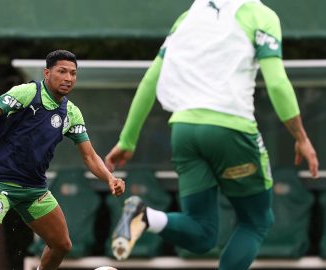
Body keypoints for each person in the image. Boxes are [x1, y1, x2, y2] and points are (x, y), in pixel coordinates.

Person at [105, 0, 319, 269]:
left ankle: (145, 216)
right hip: (231, 129)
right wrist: (301, 137)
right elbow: (277, 83)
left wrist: (128, 140)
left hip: (184, 131)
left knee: (202, 234)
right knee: (256, 221)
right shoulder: (260, 14)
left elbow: (150, 79)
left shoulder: (186, 18)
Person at [0, 49, 125, 270]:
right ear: (47, 73)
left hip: (35, 191)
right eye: (62, 71)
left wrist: (109, 178)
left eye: (73, 73)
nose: (68, 78)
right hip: (1, 186)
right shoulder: (27, 93)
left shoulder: (71, 113)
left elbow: (89, 156)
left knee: (61, 245)